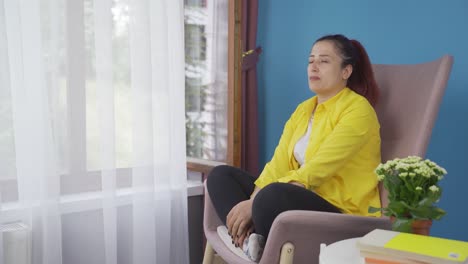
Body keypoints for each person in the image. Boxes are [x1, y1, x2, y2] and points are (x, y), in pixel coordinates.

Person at [206, 34, 382, 262]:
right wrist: (254, 197)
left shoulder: (358, 110)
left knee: (273, 195)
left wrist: (256, 202)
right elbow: (278, 162)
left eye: (324, 61)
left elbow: (318, 169)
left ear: (346, 71)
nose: (314, 67)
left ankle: (253, 241)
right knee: (221, 175)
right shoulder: (303, 110)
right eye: (311, 61)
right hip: (300, 198)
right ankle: (251, 241)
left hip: (341, 212)